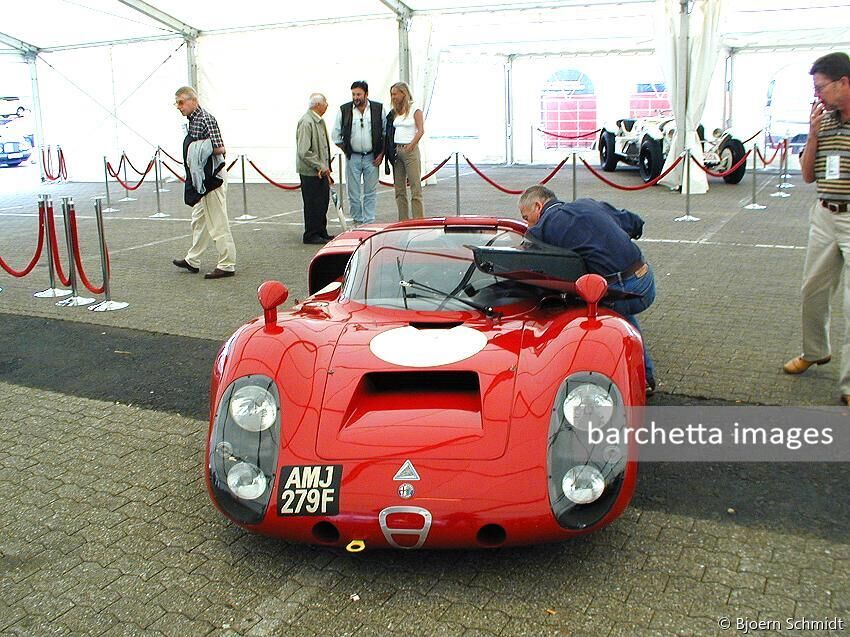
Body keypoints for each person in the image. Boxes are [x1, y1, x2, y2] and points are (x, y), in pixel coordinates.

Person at [518, 186, 657, 394]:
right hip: (646, 279)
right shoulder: (589, 204)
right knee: (621, 312)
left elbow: (524, 259)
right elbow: (634, 223)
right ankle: (645, 374)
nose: (527, 224)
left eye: (526, 217)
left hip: (623, 289)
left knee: (579, 308)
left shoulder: (543, 226)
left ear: (538, 206)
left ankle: (628, 375)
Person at [783, 52, 850, 404]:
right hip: (824, 214)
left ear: (844, 83)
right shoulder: (822, 122)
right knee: (813, 290)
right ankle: (815, 351)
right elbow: (808, 175)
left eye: (821, 88)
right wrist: (812, 135)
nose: (817, 96)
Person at [171, 86, 236, 279]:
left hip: (212, 179)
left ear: (193, 101)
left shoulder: (206, 118)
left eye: (181, 102)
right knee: (198, 220)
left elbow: (219, 148)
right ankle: (193, 259)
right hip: (203, 180)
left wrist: (198, 150)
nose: (178, 107)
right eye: (176, 103)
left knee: (217, 222)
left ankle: (227, 263)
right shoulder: (192, 120)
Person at [332, 81, 386, 226]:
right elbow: (336, 135)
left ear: (366, 94)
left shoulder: (378, 109)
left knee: (370, 193)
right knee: (353, 193)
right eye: (353, 94)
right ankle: (358, 221)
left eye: (358, 94)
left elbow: (385, 133)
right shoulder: (344, 110)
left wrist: (381, 154)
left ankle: (369, 222)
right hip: (353, 158)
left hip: (372, 158)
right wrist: (347, 150)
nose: (356, 97)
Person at [297, 93, 335, 245]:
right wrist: (319, 165)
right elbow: (304, 151)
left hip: (322, 171)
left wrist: (327, 168)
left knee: (322, 202)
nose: (327, 105)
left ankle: (321, 231)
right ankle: (311, 234)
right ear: (318, 105)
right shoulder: (306, 122)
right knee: (312, 203)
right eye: (325, 102)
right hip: (310, 172)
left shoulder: (320, 121)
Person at [385, 81, 425, 220]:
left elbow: (420, 130)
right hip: (397, 150)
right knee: (399, 188)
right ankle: (403, 219)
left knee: (415, 187)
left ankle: (418, 219)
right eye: (392, 94)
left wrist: (412, 144)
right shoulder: (395, 111)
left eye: (395, 94)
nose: (393, 97)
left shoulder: (415, 109)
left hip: (410, 150)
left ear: (404, 93)